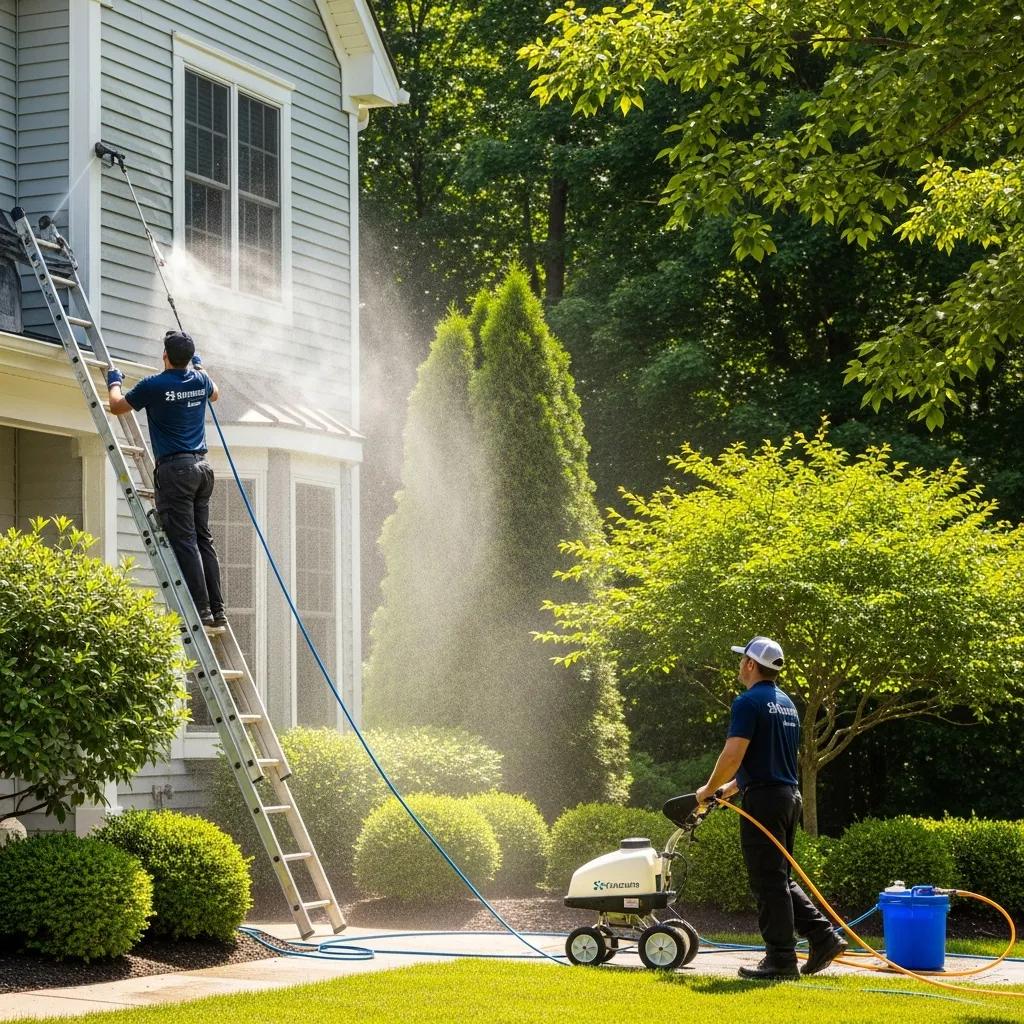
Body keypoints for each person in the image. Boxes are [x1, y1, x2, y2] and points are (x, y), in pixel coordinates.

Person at [696, 636, 846, 981]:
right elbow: (771, 757)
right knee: (779, 877)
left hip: (764, 801)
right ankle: (823, 938)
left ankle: (780, 960)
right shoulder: (786, 703)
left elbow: (734, 755)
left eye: (741, 660)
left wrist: (706, 789)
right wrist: (732, 789)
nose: (739, 666)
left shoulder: (747, 702)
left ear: (750, 664)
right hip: (787, 796)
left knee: (767, 881)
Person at [106, 330, 226, 628]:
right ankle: (218, 609)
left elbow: (117, 406)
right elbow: (215, 393)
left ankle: (201, 611)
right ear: (188, 358)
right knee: (203, 539)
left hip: (176, 472)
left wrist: (114, 382)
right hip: (202, 469)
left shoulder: (154, 385)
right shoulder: (199, 380)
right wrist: (200, 367)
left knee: (185, 541)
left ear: (165, 356)